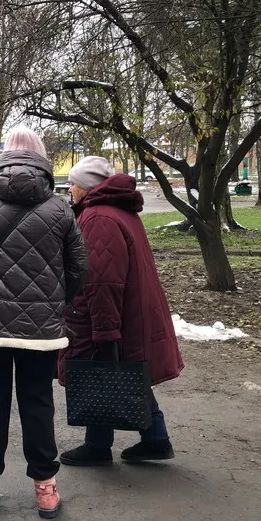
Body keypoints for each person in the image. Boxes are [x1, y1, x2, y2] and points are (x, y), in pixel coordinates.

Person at [0, 126, 88, 518]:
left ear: (3, 158)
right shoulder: (61, 208)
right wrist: (54, 301)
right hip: (41, 331)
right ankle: (45, 488)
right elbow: (79, 268)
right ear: (42, 159)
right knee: (38, 403)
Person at [58, 156, 184, 466]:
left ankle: (99, 446)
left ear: (87, 187)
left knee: (102, 370)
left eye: (73, 183)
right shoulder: (119, 211)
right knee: (124, 374)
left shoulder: (98, 218)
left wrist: (105, 332)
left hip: (114, 314)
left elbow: (103, 282)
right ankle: (155, 439)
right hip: (132, 311)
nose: (70, 189)